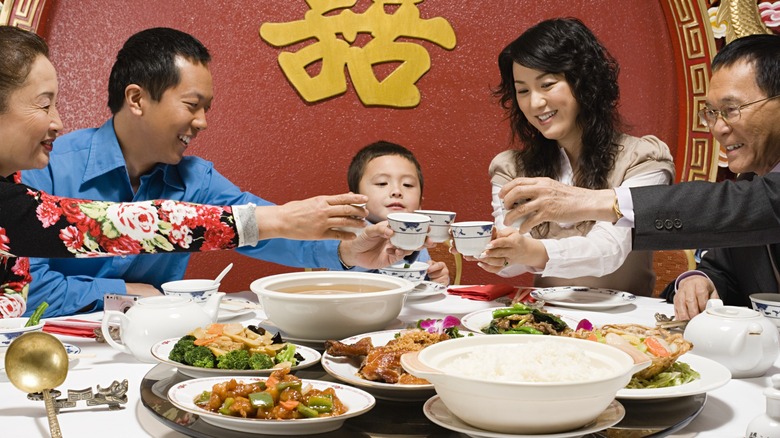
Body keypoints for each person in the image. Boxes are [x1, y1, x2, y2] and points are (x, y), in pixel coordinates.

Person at [0, 25, 401, 318]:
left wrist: (344, 251)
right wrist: (127, 292)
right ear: (137, 99)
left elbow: (117, 225)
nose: (57, 122)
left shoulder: (194, 179)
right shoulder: (41, 169)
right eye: (43, 104)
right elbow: (34, 286)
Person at [496, 34, 780, 319]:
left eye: (731, 110)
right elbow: (723, 271)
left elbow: (747, 203)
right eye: (712, 112)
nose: (718, 128)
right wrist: (699, 280)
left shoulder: (645, 156)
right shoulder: (749, 181)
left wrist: (592, 202)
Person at [477, 18, 675, 296]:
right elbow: (510, 262)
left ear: (584, 81)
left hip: (625, 325)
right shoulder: (511, 168)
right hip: (548, 320)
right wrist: (497, 251)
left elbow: (608, 250)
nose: (534, 103)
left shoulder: (642, 159)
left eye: (547, 84)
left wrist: (531, 251)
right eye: (522, 90)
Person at [346, 141, 449, 285]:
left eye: (407, 185)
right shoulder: (346, 235)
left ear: (420, 203)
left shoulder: (417, 237)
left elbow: (417, 285)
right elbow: (340, 284)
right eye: (382, 183)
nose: (397, 191)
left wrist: (434, 278)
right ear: (356, 199)